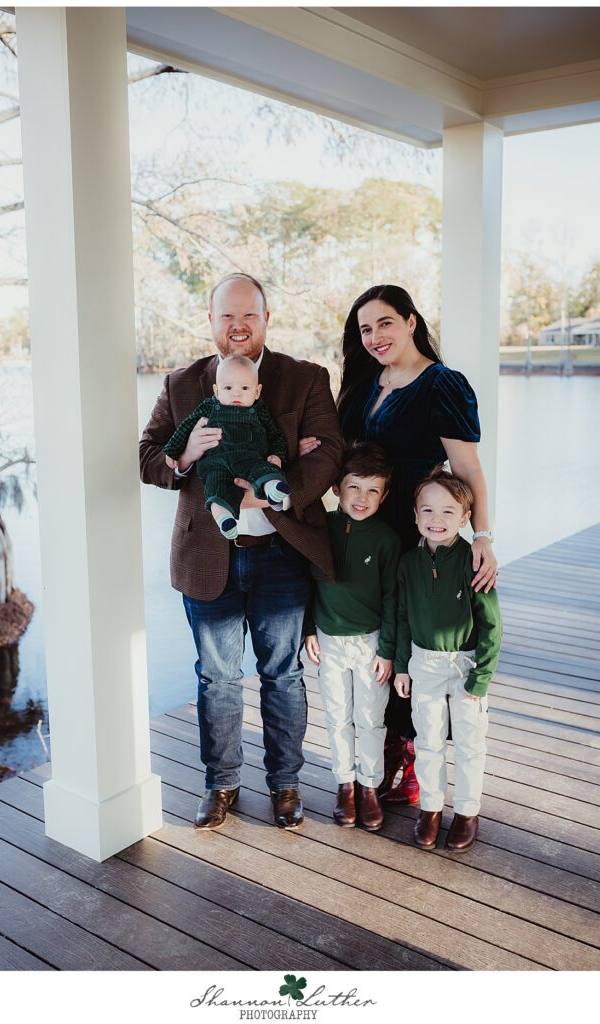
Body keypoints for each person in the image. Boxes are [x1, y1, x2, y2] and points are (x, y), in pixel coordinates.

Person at [139, 272, 343, 831]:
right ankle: (221, 784)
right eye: (227, 315)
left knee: (282, 675)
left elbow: (329, 452)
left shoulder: (304, 379)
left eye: (248, 314)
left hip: (283, 554)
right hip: (208, 558)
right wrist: (184, 458)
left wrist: (276, 488)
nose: (238, 326)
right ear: (211, 321)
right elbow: (148, 454)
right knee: (218, 678)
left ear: (266, 318)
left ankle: (285, 785)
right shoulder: (181, 384)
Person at [331, 284, 499, 806]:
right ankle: (376, 748)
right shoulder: (364, 383)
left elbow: (467, 468)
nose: (375, 337)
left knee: (408, 635)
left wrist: (482, 536)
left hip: (414, 527)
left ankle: (409, 753)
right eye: (365, 329)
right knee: (374, 639)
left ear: (410, 321)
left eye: (385, 323)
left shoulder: (443, 384)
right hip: (364, 525)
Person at [394, 467, 502, 852]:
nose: (436, 519)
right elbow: (402, 617)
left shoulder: (473, 560)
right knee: (429, 740)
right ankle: (431, 808)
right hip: (424, 664)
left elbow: (492, 626)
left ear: (465, 518)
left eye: (447, 512)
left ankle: (467, 812)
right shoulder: (409, 563)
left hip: (466, 665)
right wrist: (402, 665)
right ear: (415, 515)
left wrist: (481, 678)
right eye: (427, 510)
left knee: (470, 742)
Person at [304, 443, 400, 832]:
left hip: (371, 643)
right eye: (354, 487)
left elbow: (393, 598)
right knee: (337, 716)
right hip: (329, 640)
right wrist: (309, 628)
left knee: (371, 719)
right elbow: (307, 581)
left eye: (373, 490)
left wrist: (388, 650)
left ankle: (369, 786)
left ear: (384, 496)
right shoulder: (321, 528)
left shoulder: (387, 540)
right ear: (336, 488)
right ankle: (345, 784)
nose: (362, 498)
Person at [162, 354, 290, 540]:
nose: (236, 393)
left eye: (244, 388)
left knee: (265, 470)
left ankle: (273, 489)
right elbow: (186, 426)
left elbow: (275, 435)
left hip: (251, 459)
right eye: (228, 388)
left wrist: (277, 456)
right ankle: (224, 519)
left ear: (257, 391)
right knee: (215, 487)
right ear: (216, 391)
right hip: (217, 463)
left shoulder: (260, 411)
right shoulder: (209, 407)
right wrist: (174, 450)